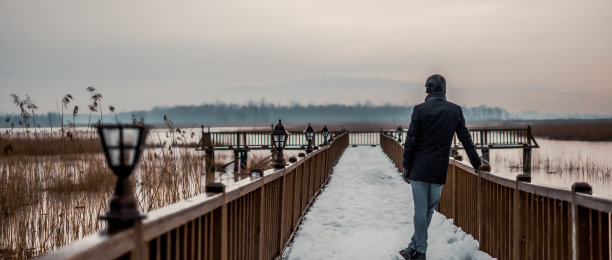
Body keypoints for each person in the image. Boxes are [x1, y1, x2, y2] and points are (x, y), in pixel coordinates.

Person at [399, 74, 487, 260]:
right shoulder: (455, 111)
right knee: (428, 211)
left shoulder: (420, 110)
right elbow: (466, 139)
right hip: (439, 170)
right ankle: (413, 246)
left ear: (428, 89)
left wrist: (406, 168)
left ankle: (420, 251)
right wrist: (477, 163)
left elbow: (411, 142)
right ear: (444, 90)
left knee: (420, 211)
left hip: (419, 169)